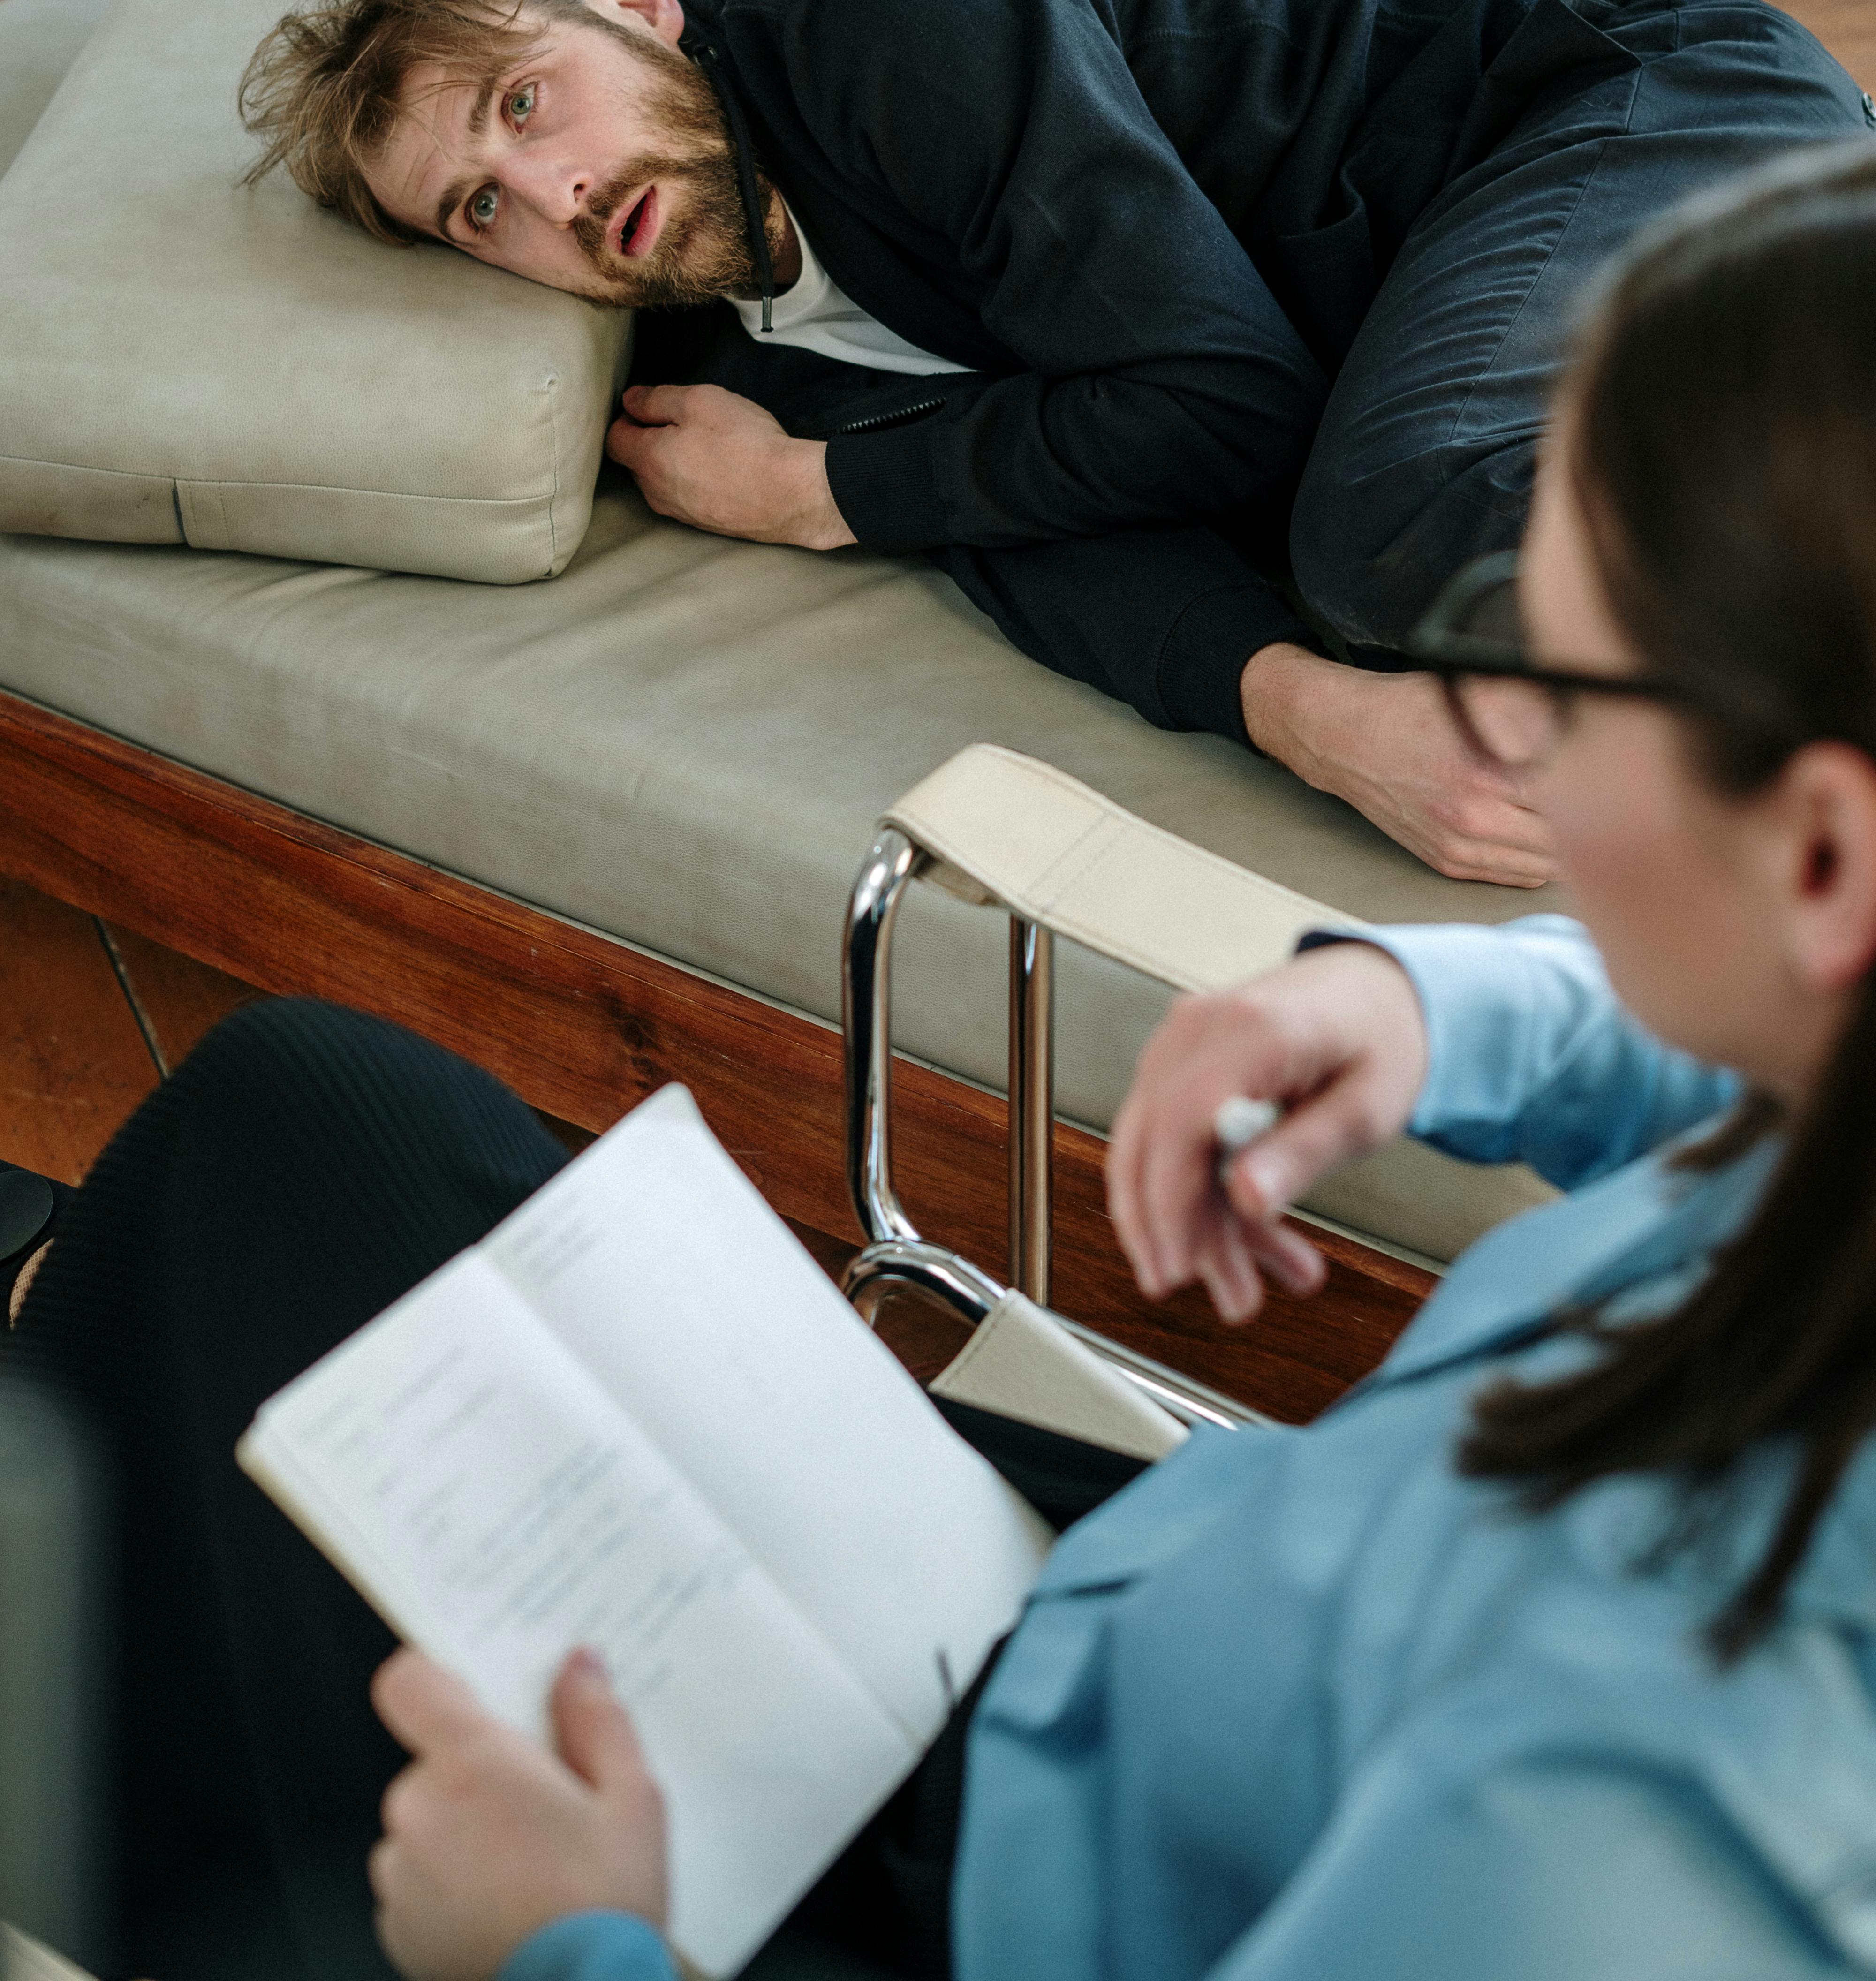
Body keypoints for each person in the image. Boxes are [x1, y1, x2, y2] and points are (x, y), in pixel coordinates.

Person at [16, 138, 1876, 1979]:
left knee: (283, 1786)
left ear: (1813, 854)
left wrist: (569, 1943)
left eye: (1542, 669)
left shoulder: (1644, 1832)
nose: (1498, 728)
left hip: (991, 1911)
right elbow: (1708, 1077)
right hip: (1120, 1629)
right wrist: (1433, 1009)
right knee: (309, 1112)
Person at [236, 0, 1869, 885]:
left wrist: (825, 496)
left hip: (1620, 98)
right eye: (477, 209)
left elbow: (1228, 403)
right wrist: (1312, 717)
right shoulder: (695, 350)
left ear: (642, 11)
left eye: (531, 107)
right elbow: (1027, 515)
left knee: (1387, 528)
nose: (552, 198)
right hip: (1511, 324)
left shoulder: (878, 13)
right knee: (1385, 585)